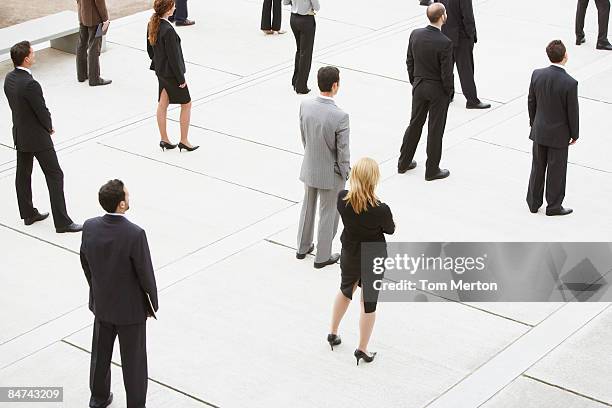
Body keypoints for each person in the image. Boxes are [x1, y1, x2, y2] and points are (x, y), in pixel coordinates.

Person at [80, 179, 159, 408]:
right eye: (127, 194)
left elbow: (85, 261)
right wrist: (151, 303)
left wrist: (96, 288)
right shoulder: (135, 234)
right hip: (130, 311)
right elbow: (145, 273)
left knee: (100, 356)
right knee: (133, 363)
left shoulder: (89, 226)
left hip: (102, 305)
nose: (129, 196)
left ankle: (99, 398)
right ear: (121, 204)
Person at [3, 42, 82, 234]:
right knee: (55, 175)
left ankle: (28, 214)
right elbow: (41, 109)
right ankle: (62, 222)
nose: (34, 54)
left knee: (23, 175)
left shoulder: (9, 79)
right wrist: (49, 126)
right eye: (32, 52)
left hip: (21, 135)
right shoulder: (30, 84)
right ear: (26, 59)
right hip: (37, 137)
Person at [328, 158, 395, 366]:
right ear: (374, 180)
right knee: (368, 303)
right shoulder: (380, 209)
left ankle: (333, 332)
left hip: (350, 253)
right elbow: (390, 229)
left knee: (345, 290)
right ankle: (362, 348)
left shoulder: (342, 199)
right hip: (372, 258)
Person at [296, 66, 350, 269]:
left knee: (307, 207)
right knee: (328, 214)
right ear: (335, 85)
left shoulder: (305, 105)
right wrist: (345, 173)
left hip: (310, 165)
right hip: (331, 172)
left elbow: (304, 137)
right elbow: (343, 151)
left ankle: (302, 247)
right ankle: (323, 256)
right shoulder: (340, 116)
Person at [397, 3, 454, 181]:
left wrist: (415, 81)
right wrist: (449, 92)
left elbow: (409, 61)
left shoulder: (415, 34)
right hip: (437, 90)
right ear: (443, 16)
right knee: (435, 129)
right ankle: (432, 170)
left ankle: (403, 162)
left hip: (420, 85)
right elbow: (447, 73)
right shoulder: (445, 43)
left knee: (414, 124)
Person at [527, 40, 579, 216]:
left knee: (537, 166)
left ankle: (533, 202)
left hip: (539, 129)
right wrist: (574, 134)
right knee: (557, 170)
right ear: (565, 56)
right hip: (559, 134)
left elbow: (531, 102)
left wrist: (533, 123)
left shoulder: (537, 74)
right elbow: (572, 112)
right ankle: (554, 206)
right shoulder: (570, 83)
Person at [147, 0, 199, 152]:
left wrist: (158, 62)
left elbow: (150, 49)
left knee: (163, 105)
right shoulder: (168, 31)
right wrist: (181, 79)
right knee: (186, 104)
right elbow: (174, 58)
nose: (176, 7)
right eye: (173, 5)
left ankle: (164, 139)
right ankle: (184, 140)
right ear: (168, 10)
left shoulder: (152, 24)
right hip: (172, 74)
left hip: (161, 72)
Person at [434, 0, 490, 109]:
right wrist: (471, 35)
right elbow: (468, 16)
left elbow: (437, 8)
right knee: (466, 70)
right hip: (461, 37)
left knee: (446, 68)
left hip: (445, 33)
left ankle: (447, 95)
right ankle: (472, 100)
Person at [284, 0, 320, 94]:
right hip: (306, 20)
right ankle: (301, 86)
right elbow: (317, 7)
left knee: (299, 51)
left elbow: (285, 2)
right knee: (306, 54)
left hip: (293, 19)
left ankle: (295, 81)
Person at [76, 0, 112, 86]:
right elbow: (99, 1)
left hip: (82, 14)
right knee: (94, 47)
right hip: (95, 18)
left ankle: (81, 75)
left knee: (82, 45)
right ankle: (94, 79)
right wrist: (105, 19)